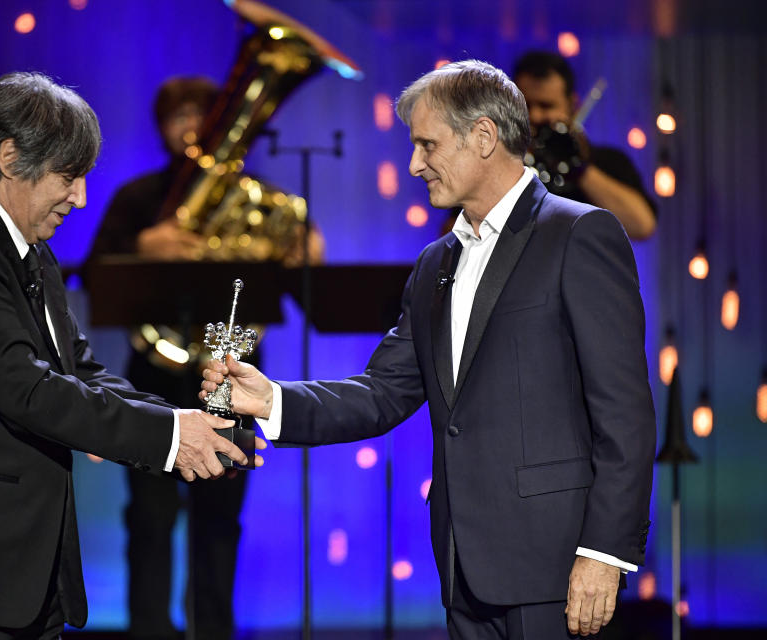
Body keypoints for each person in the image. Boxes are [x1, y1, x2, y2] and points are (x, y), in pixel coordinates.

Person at [202, 60, 655, 640]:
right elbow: (383, 391)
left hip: (558, 569)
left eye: (427, 145)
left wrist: (604, 553)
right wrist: (271, 399)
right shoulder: (435, 261)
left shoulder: (579, 234)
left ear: (485, 137)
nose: (414, 164)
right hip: (463, 566)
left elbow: (626, 415)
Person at [0, 71, 260, 640]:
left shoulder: (31, 252)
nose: (79, 199)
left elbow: (81, 372)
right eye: (68, 177)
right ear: (8, 157)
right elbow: (28, 389)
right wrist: (171, 437)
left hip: (22, 582)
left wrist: (187, 424)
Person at [90, 76, 282, 640]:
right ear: (160, 126)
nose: (193, 126)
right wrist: (144, 248)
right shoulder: (137, 199)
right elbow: (93, 273)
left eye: (204, 114)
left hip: (229, 377)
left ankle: (215, 631)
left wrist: (298, 246)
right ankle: (149, 630)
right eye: (180, 116)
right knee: (150, 518)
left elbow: (289, 264)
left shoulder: (250, 194)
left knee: (221, 519)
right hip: (154, 374)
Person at [512, 50, 656, 240]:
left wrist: (578, 169)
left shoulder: (608, 160)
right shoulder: (502, 165)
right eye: (526, 106)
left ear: (573, 106)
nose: (535, 116)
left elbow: (642, 227)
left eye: (546, 106)